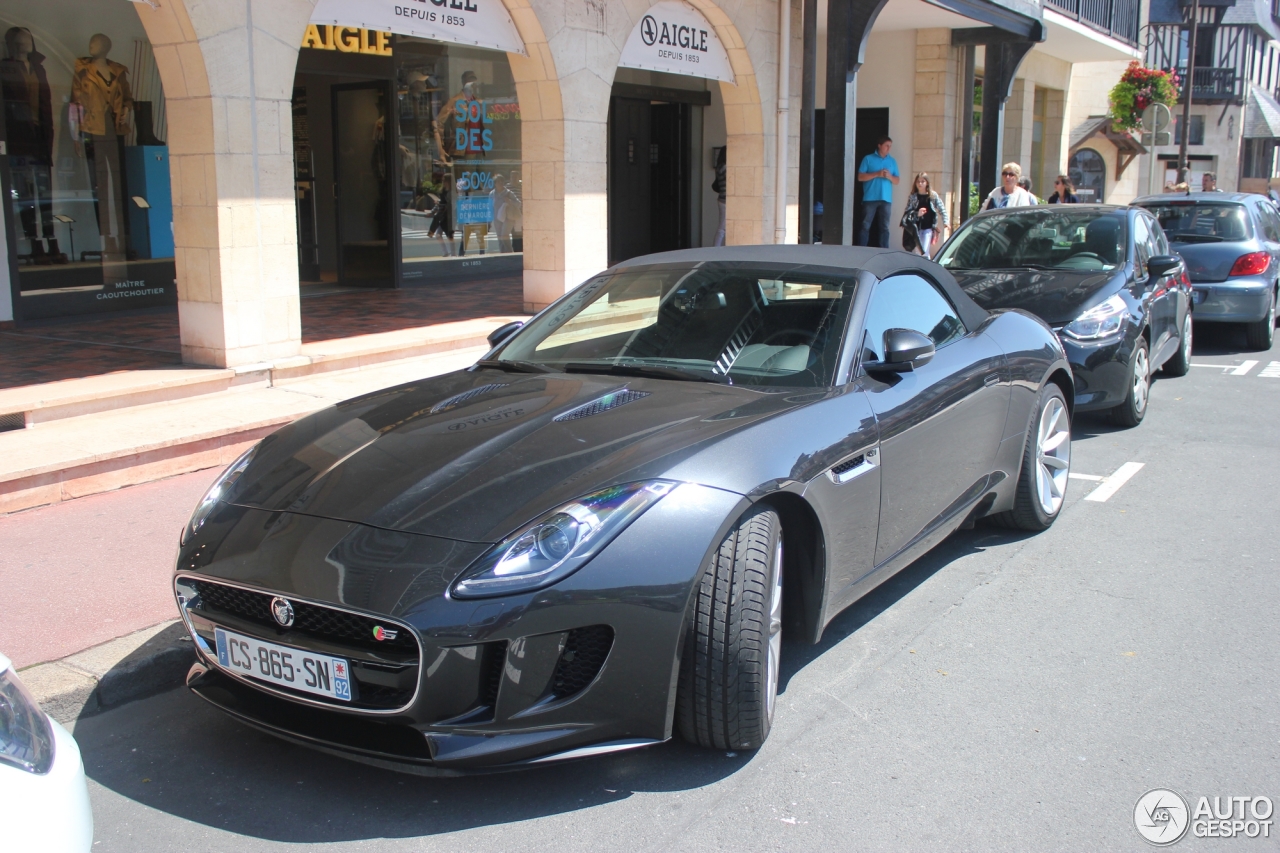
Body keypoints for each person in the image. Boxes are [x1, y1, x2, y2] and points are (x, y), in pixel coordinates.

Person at [856, 136, 899, 247]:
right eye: (886, 146)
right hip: (870, 198)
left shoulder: (892, 161)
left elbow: (897, 180)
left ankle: (884, 251)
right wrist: (876, 174)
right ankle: (862, 250)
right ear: (879, 145)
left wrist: (889, 176)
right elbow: (860, 177)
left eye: (890, 146)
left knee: (885, 227)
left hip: (886, 198)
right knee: (865, 225)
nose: (888, 148)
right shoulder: (868, 159)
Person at [901, 172, 948, 260]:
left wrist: (946, 222)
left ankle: (925, 268)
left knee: (924, 250)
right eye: (918, 181)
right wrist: (917, 214)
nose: (920, 183)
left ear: (927, 183)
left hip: (928, 227)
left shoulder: (932, 196)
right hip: (916, 228)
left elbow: (941, 208)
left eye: (923, 181)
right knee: (918, 252)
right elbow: (907, 213)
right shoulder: (913, 197)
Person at [489, 174, 522, 253]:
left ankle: (509, 253)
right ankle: (502, 255)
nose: (500, 183)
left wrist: (510, 201)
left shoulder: (509, 193)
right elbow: (490, 207)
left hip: (508, 218)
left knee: (504, 235)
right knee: (500, 237)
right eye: (498, 181)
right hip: (497, 218)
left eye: (502, 181)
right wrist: (489, 220)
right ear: (495, 183)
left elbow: (518, 203)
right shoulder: (492, 194)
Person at [712, 147, 726, 246]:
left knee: (721, 228)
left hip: (721, 199)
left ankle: (716, 248)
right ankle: (715, 250)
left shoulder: (719, 167)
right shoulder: (727, 167)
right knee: (722, 228)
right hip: (727, 200)